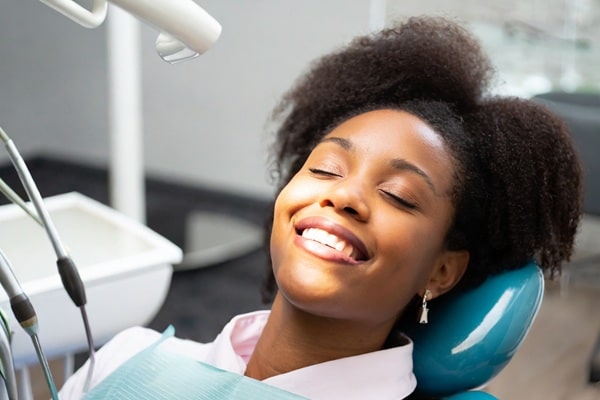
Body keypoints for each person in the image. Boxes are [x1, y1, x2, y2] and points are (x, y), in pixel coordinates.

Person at [59, 15, 583, 399]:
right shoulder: (127, 359)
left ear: (441, 271)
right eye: (326, 169)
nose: (344, 196)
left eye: (398, 195)